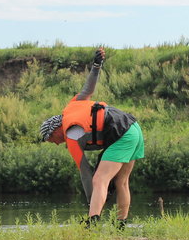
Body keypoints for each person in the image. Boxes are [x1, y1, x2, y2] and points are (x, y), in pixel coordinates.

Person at [40, 48, 144, 228]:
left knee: (99, 179)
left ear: (56, 129)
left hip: (122, 133)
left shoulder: (71, 134)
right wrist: (96, 66)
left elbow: (86, 174)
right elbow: (88, 88)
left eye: (52, 139)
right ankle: (121, 224)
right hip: (134, 128)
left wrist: (92, 203)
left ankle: (93, 222)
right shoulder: (73, 106)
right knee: (121, 181)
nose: (57, 143)